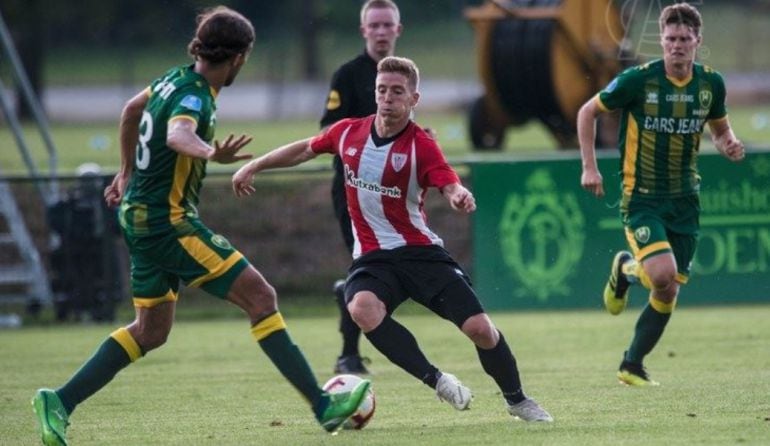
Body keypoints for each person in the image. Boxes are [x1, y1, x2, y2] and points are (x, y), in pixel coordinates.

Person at [31, 7, 369, 445]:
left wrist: (126, 171)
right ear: (239, 56)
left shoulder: (171, 77)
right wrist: (211, 153)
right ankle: (323, 407)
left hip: (137, 216)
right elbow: (177, 135)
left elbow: (131, 110)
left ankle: (58, 401)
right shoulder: (194, 94)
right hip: (168, 223)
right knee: (261, 296)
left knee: (151, 330)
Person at [233, 56, 552, 422]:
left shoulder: (422, 145)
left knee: (480, 329)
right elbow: (305, 148)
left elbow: (447, 182)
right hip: (373, 258)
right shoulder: (348, 132)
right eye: (382, 90)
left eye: (397, 91)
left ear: (413, 99)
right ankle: (438, 381)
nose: (387, 98)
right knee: (361, 309)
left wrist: (457, 195)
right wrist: (253, 165)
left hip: (420, 253)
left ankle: (517, 400)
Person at [577, 2, 745, 386]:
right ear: (662, 40)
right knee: (662, 274)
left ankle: (631, 364)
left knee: (668, 291)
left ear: (697, 41)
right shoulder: (639, 80)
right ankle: (627, 268)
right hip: (644, 198)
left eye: (685, 39)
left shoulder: (710, 84)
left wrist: (730, 145)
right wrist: (590, 166)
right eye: (670, 39)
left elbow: (720, 130)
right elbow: (588, 111)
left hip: (686, 200)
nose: (677, 46)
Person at [320, 0, 403, 375]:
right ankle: (348, 354)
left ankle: (349, 302)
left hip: (395, 193)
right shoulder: (348, 74)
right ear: (364, 31)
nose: (382, 31)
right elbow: (328, 131)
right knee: (367, 265)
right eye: (376, 25)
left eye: (388, 25)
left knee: (392, 269)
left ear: (398, 30)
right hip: (354, 190)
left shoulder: (405, 74)